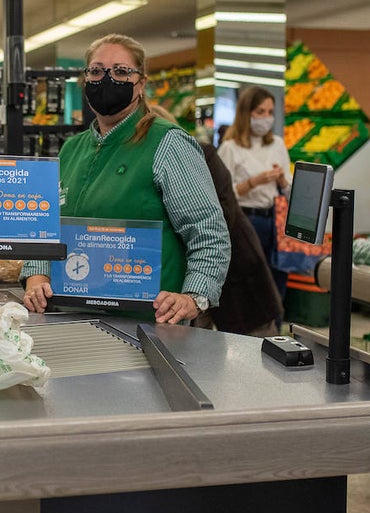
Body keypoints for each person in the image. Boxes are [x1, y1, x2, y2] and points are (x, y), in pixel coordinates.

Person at [21, 34, 230, 324]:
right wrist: (36, 274)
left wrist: (193, 296)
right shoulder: (72, 148)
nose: (107, 80)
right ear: (85, 81)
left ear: (141, 83)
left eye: (121, 71)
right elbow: (45, 227)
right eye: (96, 71)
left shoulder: (168, 144)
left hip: (147, 326)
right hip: (70, 316)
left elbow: (208, 232)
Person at [149, 107, 280, 337]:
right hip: (193, 282)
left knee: (255, 345)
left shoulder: (202, 154)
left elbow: (219, 219)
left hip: (236, 270)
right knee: (202, 350)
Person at [218, 86, 292, 307]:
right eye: (260, 112)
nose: (266, 118)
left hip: (274, 220)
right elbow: (221, 192)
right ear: (246, 113)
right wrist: (253, 182)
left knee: (277, 280)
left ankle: (275, 329)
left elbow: (288, 188)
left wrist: (281, 181)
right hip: (246, 220)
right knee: (251, 283)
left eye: (270, 112)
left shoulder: (277, 144)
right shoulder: (230, 148)